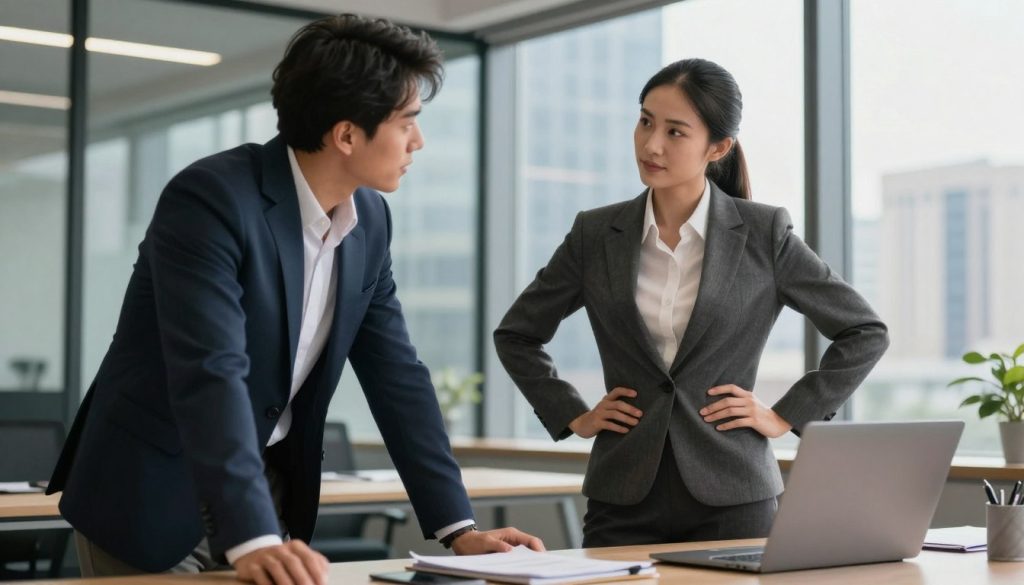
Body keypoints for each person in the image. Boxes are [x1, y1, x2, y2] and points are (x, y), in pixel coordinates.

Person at [48, 14, 543, 583]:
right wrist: (253, 534)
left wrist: (457, 527)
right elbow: (212, 370)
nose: (419, 141)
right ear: (347, 134)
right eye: (408, 121)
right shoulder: (210, 199)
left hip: (265, 489)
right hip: (151, 487)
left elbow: (396, 374)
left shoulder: (369, 220)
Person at [493, 58, 889, 548]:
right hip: (622, 496)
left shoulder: (764, 234)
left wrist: (786, 415)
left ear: (717, 147)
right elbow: (516, 334)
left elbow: (864, 330)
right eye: (645, 121)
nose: (651, 144)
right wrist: (573, 414)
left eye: (675, 132)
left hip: (734, 496)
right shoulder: (595, 235)